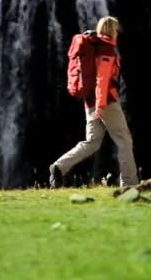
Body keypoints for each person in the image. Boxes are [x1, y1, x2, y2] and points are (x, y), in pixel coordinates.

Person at [49, 16, 139, 188]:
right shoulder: (106, 49)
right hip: (106, 102)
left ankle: (59, 166)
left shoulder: (93, 47)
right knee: (124, 141)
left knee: (92, 143)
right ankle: (129, 183)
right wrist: (101, 104)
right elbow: (102, 79)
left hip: (90, 102)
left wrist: (96, 104)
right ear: (113, 30)